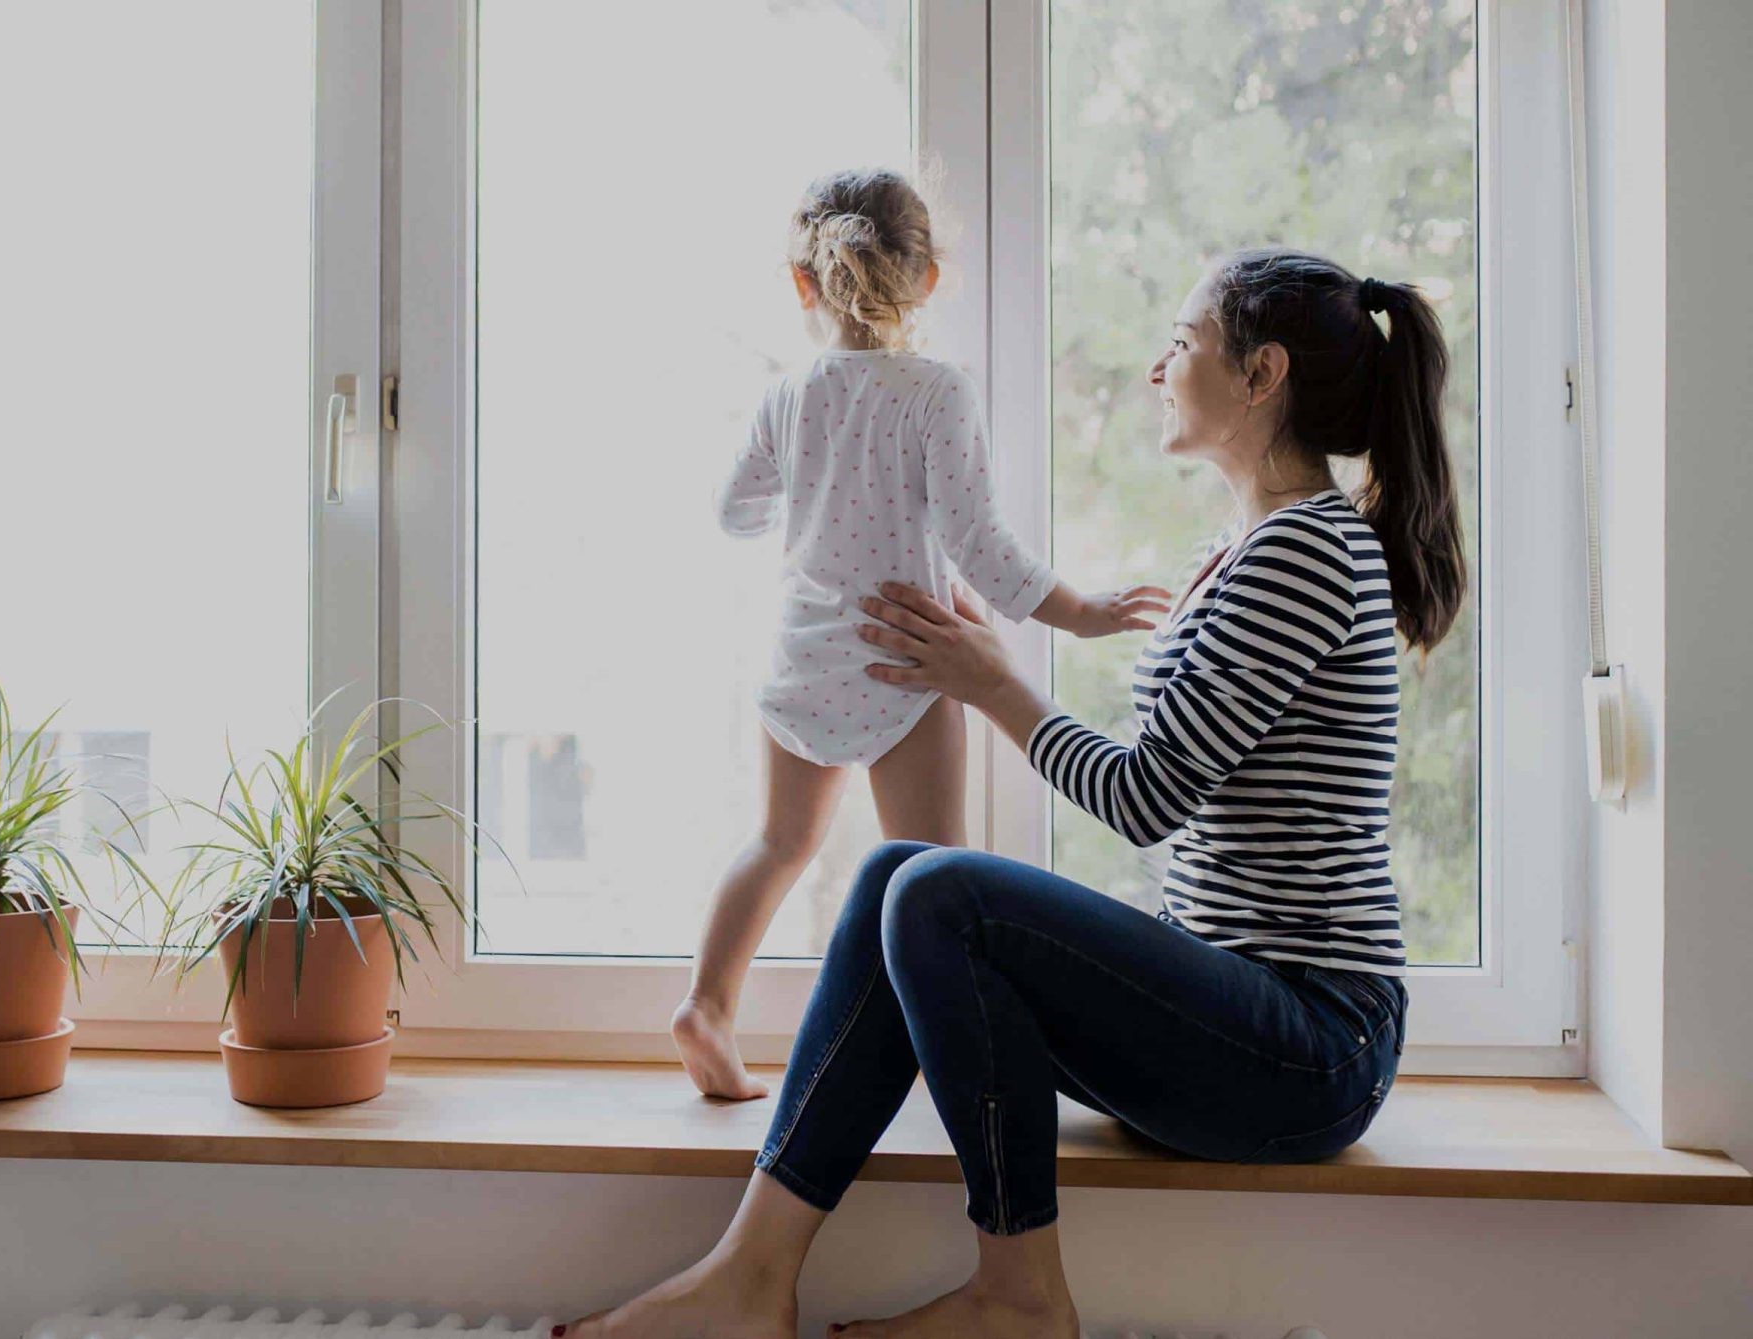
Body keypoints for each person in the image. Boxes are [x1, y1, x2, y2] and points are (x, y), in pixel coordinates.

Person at [582, 248, 1468, 1338]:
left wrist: (990, 683)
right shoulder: (1242, 550)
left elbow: (1147, 796)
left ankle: (1018, 1295)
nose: (1157, 366)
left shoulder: (1305, 555)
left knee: (940, 892)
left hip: (1309, 1044)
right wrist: (985, 663)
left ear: (1260, 374)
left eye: (1183, 342)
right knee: (901, 873)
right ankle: (750, 1274)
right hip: (1240, 1011)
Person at [676, 167, 1168, 1100]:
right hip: (908, 657)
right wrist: (1087, 612)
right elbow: (983, 550)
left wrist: (810, 491)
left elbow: (733, 509)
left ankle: (706, 1003)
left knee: (779, 844)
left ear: (802, 283)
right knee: (933, 877)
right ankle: (931, 1056)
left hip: (804, 657)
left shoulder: (791, 395)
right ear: (929, 278)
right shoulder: (938, 395)